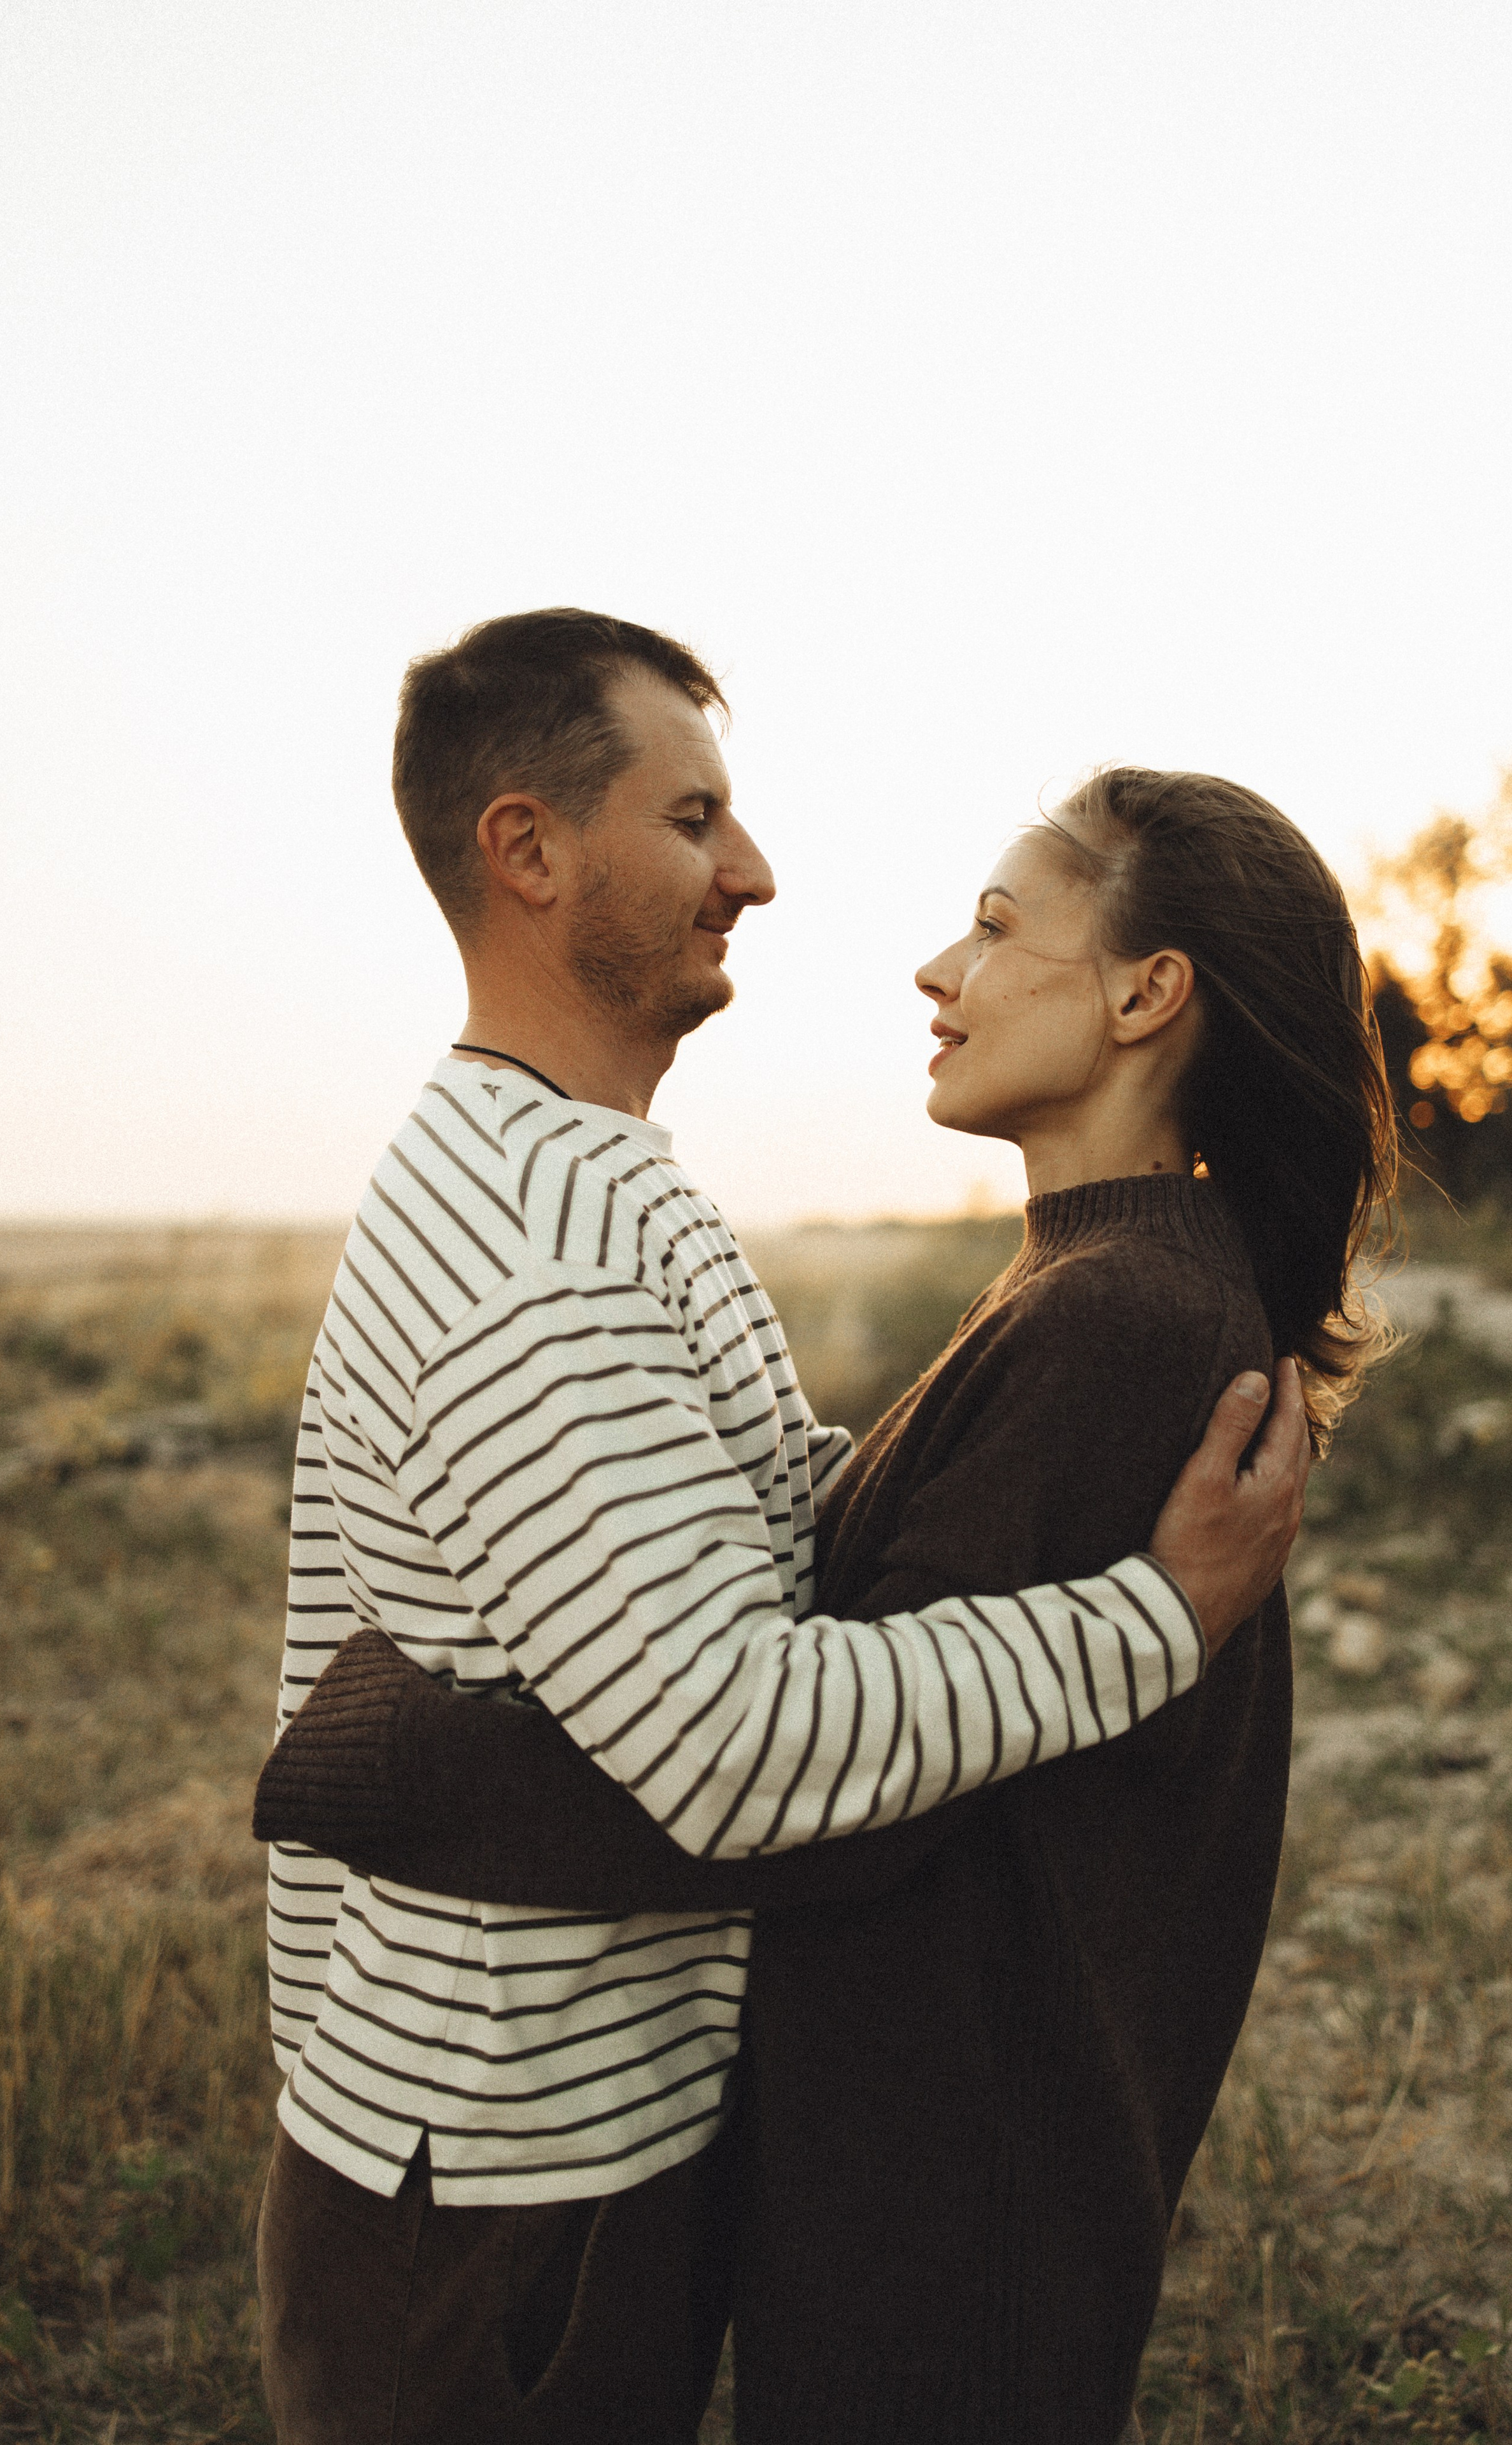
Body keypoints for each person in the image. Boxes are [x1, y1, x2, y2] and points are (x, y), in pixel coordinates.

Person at [252, 609, 1312, 2445]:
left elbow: (773, 1551)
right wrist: (1149, 1623)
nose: (754, 871)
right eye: (692, 821)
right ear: (528, 850)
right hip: (500, 2168)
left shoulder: (613, 1177)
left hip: (602, 2130)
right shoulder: (530, 1244)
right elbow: (738, 1753)